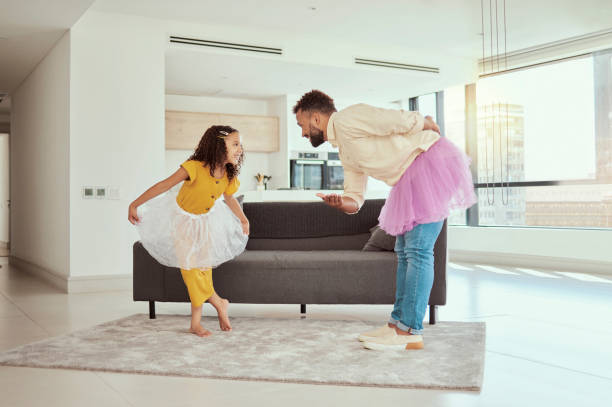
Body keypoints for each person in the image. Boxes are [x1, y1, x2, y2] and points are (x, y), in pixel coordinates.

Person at [293, 90, 476, 350]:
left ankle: (410, 331)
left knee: (418, 251)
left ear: (315, 118)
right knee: (404, 251)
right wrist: (339, 202)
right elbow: (355, 197)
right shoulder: (345, 148)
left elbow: (393, 119)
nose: (302, 133)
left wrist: (426, 122)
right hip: (409, 176)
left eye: (302, 126)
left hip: (426, 162)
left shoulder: (348, 118)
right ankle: (397, 325)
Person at [128, 125, 249, 337]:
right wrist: (135, 204)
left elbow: (229, 198)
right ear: (218, 146)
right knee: (190, 271)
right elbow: (164, 185)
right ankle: (218, 302)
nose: (240, 149)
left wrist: (243, 219)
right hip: (183, 222)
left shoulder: (228, 176)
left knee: (203, 270)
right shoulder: (194, 167)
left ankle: (195, 323)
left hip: (207, 222)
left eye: (240, 144)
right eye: (235, 144)